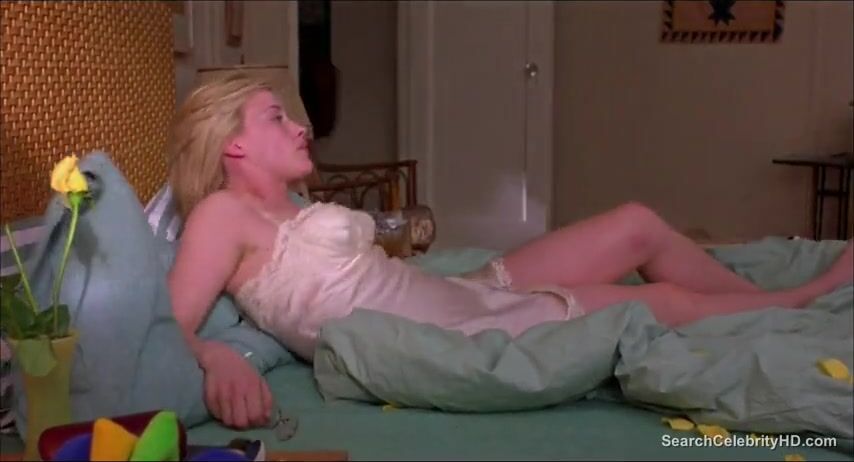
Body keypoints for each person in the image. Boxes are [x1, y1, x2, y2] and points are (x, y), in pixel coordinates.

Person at [166, 73, 854, 430]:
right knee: (662, 302)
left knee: (636, 224)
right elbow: (171, 322)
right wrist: (218, 355)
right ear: (234, 143)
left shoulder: (288, 205)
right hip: (465, 330)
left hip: (463, 289)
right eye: (277, 117)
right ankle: (800, 299)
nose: (301, 126)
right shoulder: (223, 215)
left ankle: (759, 292)